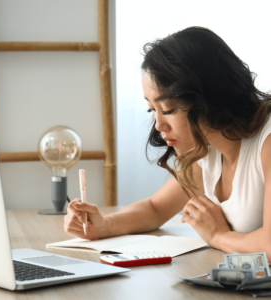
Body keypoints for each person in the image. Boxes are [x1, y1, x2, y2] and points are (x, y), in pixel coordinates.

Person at [64, 26, 271, 259]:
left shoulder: (267, 142)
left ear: (208, 97)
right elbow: (155, 209)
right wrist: (102, 226)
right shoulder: (207, 151)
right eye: (152, 110)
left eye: (168, 109)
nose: (158, 126)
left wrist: (218, 236)